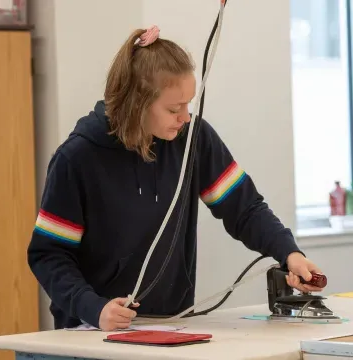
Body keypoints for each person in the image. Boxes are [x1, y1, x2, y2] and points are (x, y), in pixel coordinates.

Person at [27, 25, 323, 332]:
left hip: (172, 327)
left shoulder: (194, 139)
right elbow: (49, 255)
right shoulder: (77, 159)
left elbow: (244, 209)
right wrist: (93, 308)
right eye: (173, 108)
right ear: (136, 102)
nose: (185, 117)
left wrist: (289, 252)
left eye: (188, 104)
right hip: (91, 332)